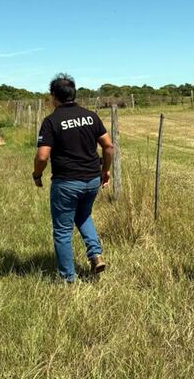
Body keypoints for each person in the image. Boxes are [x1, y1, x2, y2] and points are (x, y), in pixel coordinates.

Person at [33, 74, 115, 283]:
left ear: (54, 96)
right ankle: (95, 254)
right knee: (84, 216)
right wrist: (105, 170)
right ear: (73, 94)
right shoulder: (91, 116)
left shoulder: (51, 121)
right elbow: (108, 146)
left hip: (67, 182)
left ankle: (68, 279)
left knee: (62, 231)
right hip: (92, 180)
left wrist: (37, 174)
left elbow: (42, 155)